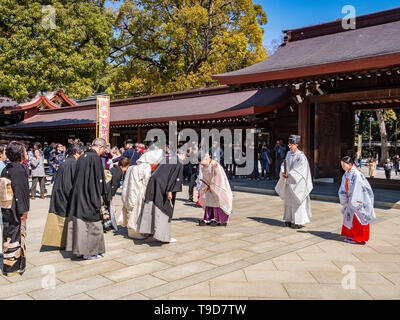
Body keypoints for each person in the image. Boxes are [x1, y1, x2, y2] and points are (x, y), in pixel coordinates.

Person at [65, 138, 107, 260]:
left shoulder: (82, 156)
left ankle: (79, 250)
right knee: (92, 225)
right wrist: (100, 195)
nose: (103, 152)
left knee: (79, 224)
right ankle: (90, 252)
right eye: (103, 149)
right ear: (100, 147)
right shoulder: (95, 158)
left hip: (78, 194)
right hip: (89, 195)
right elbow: (98, 180)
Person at [41, 143, 84, 248]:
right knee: (65, 219)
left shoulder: (66, 161)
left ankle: (62, 242)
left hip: (59, 192)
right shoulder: (73, 163)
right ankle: (66, 242)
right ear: (77, 154)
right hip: (65, 193)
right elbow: (71, 183)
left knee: (61, 218)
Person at [137, 149, 184, 243]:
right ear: (182, 155)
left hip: (153, 182)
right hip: (163, 186)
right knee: (165, 209)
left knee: (151, 205)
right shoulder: (179, 162)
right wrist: (170, 190)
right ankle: (163, 236)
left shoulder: (167, 158)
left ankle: (148, 231)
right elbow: (175, 178)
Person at [0, 141, 30, 276]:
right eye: (24, 150)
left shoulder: (6, 168)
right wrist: (23, 210)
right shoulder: (18, 170)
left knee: (7, 234)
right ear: (19, 153)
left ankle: (7, 264)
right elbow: (20, 192)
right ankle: (15, 265)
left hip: (5, 206)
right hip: (15, 207)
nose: (25, 152)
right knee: (17, 234)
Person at [120, 148, 164, 239]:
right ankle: (138, 232)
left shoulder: (132, 167)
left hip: (129, 193)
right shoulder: (146, 167)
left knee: (130, 211)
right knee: (138, 212)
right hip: (139, 193)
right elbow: (147, 181)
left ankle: (131, 232)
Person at [275, 135, 312, 229]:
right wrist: (284, 172)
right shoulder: (288, 154)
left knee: (297, 201)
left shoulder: (301, 156)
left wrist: (289, 175)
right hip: (289, 181)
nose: (289, 146)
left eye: (291, 144)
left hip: (298, 183)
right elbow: (284, 164)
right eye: (289, 144)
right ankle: (288, 219)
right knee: (288, 200)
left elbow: (300, 170)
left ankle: (298, 221)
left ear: (296, 145)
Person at [339, 156, 375, 244]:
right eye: (342, 165)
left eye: (344, 165)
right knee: (350, 218)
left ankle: (358, 238)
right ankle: (351, 236)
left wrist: (352, 200)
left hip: (357, 199)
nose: (342, 167)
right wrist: (344, 197)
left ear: (350, 164)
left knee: (358, 219)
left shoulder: (356, 174)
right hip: (350, 199)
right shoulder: (347, 173)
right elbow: (343, 187)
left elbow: (358, 189)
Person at [198, 152, 233, 227]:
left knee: (218, 201)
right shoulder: (203, 167)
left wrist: (210, 185)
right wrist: (204, 187)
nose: (202, 165)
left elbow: (219, 178)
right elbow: (204, 178)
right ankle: (208, 218)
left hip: (218, 187)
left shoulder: (215, 165)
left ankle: (221, 219)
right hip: (209, 187)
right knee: (209, 201)